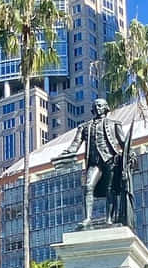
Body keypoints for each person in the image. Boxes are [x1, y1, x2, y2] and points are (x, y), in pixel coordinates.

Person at [57, 98, 135, 229]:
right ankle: (87, 218)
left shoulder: (114, 124)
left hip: (111, 160)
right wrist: (66, 153)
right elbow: (75, 144)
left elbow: (122, 142)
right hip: (94, 162)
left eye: (100, 105)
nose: (97, 108)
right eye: (95, 106)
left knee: (111, 190)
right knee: (88, 186)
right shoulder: (84, 127)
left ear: (105, 107)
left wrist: (131, 154)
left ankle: (109, 219)